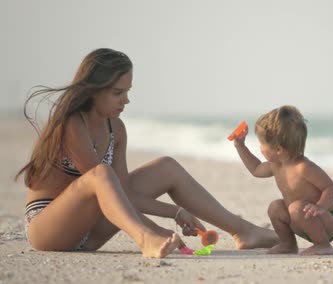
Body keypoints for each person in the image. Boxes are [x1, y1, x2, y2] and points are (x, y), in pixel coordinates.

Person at [15, 48, 278, 258]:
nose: (126, 100)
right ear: (93, 90)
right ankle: (145, 240)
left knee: (166, 166)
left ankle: (243, 231)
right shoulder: (72, 124)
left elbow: (123, 193)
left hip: (91, 232)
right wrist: (157, 225)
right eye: (118, 92)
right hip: (50, 230)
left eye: (128, 92)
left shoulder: (115, 129)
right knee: (101, 173)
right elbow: (101, 185)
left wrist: (174, 214)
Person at [232, 105, 333, 255]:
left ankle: (323, 244)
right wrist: (240, 146)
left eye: (262, 144)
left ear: (278, 150)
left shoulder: (304, 167)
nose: (260, 148)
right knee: (275, 207)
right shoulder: (276, 165)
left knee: (296, 208)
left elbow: (330, 187)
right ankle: (288, 244)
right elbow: (256, 169)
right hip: (300, 218)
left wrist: (321, 206)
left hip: (326, 221)